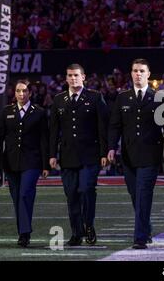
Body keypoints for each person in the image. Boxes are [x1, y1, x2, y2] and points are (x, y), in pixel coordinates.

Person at [107, 58, 164, 249]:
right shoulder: (122, 98)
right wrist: (111, 148)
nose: (138, 74)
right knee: (134, 194)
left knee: (143, 194)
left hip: (150, 155)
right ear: (131, 74)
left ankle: (139, 237)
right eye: (135, 71)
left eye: (141, 71)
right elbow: (115, 126)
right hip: (129, 156)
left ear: (148, 74)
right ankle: (145, 228)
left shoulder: (159, 97)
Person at [49, 64, 109, 246]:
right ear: (66, 78)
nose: (73, 78)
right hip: (67, 156)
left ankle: (89, 225)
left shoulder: (95, 97)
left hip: (90, 155)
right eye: (70, 75)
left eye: (76, 75)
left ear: (83, 77)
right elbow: (54, 130)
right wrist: (52, 154)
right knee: (71, 194)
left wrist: (105, 152)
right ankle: (76, 233)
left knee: (86, 190)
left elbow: (102, 127)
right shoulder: (58, 100)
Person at [0, 80, 49, 247]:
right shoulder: (6, 111)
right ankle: (23, 231)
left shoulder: (39, 112)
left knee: (24, 194)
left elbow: (44, 139)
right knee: (17, 198)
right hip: (10, 162)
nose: (21, 94)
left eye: (24, 91)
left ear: (30, 93)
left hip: (32, 162)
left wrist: (46, 165)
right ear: (14, 93)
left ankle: (24, 234)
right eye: (18, 91)